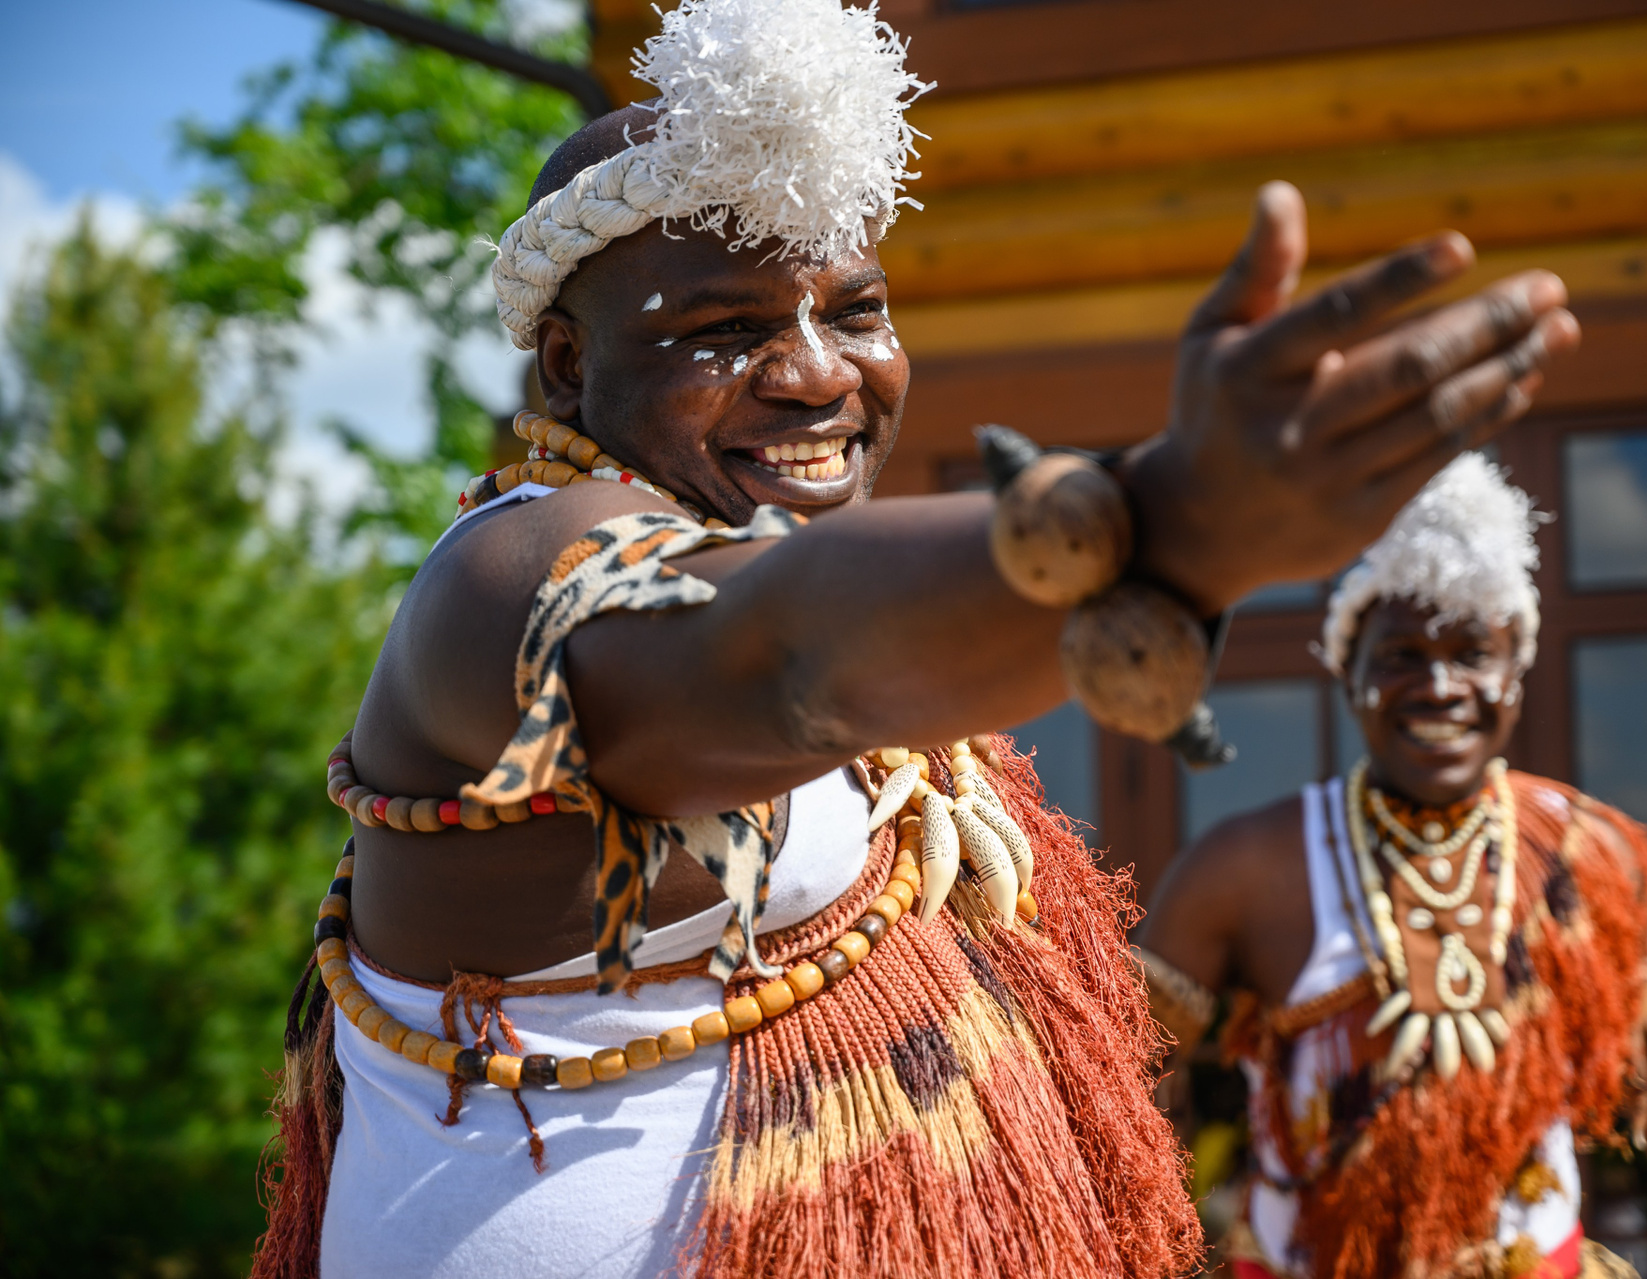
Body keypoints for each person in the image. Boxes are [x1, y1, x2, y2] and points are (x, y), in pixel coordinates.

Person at [248, 0, 1579, 1275]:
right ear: (563, 365)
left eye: (857, 311)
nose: (820, 373)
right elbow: (779, 661)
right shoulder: (511, 578)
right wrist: (1171, 520)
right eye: (725, 329)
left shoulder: (810, 585)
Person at [1137, 454, 1647, 1279]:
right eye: (1401, 654)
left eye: (1471, 652)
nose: (1439, 684)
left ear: (1515, 675)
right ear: (1350, 675)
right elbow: (1123, 1096)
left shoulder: (1582, 855)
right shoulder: (1244, 868)